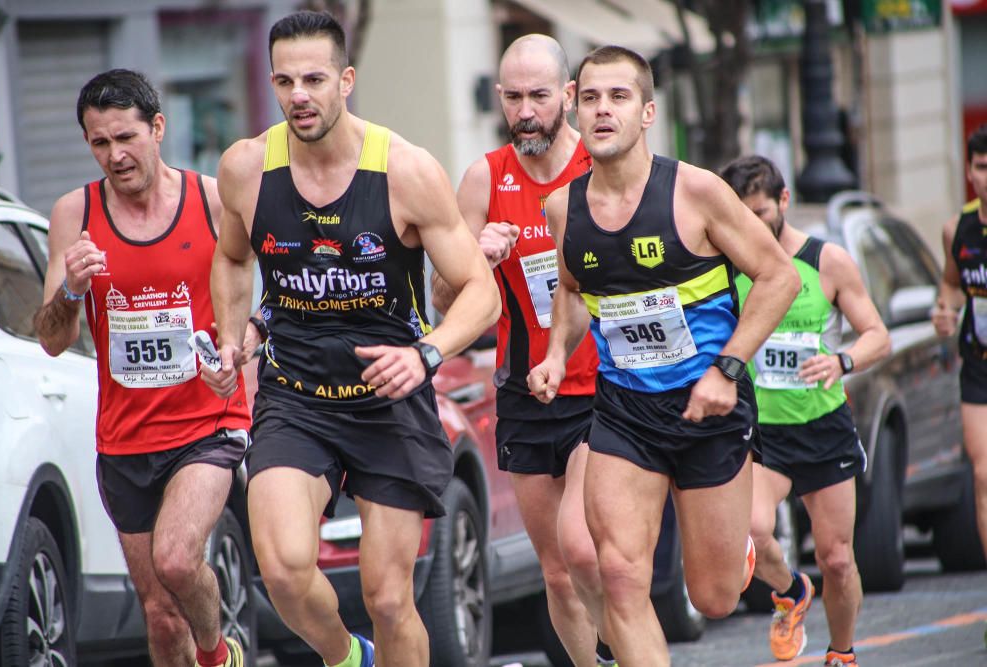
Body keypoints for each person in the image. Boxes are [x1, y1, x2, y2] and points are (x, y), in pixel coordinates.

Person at [202, 11, 500, 667]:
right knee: (281, 568)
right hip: (297, 394)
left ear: (346, 79)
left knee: (390, 598)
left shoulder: (405, 171)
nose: (298, 95)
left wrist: (426, 353)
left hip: (388, 401)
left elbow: (482, 291)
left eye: (314, 79)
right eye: (284, 81)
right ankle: (346, 657)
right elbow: (230, 257)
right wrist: (232, 337)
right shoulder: (247, 168)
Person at [527, 46, 800, 667]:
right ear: (574, 103)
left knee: (715, 596)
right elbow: (572, 292)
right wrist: (553, 353)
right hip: (625, 412)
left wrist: (727, 369)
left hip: (710, 407)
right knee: (619, 574)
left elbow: (778, 276)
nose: (603, 111)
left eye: (619, 97)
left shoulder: (696, 192)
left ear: (647, 112)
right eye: (591, 97)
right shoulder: (563, 207)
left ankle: (739, 557)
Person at [33, 69, 258, 667]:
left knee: (178, 558)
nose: (116, 155)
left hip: (209, 421)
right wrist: (72, 291)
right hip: (126, 438)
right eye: (100, 143)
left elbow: (267, 296)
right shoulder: (73, 214)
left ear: (158, 127)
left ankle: (217, 655)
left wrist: (242, 348)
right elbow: (53, 340)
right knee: (159, 616)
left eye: (126, 137)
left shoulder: (212, 199)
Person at [431, 34, 609, 667]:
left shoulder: (598, 166)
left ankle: (625, 640)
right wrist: (473, 256)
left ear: (566, 95)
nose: (525, 111)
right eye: (513, 97)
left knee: (585, 550)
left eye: (538, 95)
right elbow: (443, 296)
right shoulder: (485, 176)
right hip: (525, 391)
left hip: (603, 390)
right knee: (557, 572)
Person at [721, 156, 890, 667]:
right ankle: (791, 591)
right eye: (743, 215)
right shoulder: (729, 264)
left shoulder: (828, 261)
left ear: (784, 201)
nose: (754, 224)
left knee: (837, 560)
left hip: (823, 426)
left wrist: (841, 360)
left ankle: (842, 654)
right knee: (750, 532)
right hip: (762, 433)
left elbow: (877, 336)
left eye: (762, 211)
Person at [932, 123, 987, 580]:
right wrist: (944, 310)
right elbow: (951, 286)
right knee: (984, 476)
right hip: (978, 367)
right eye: (982, 167)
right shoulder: (959, 229)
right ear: (970, 171)